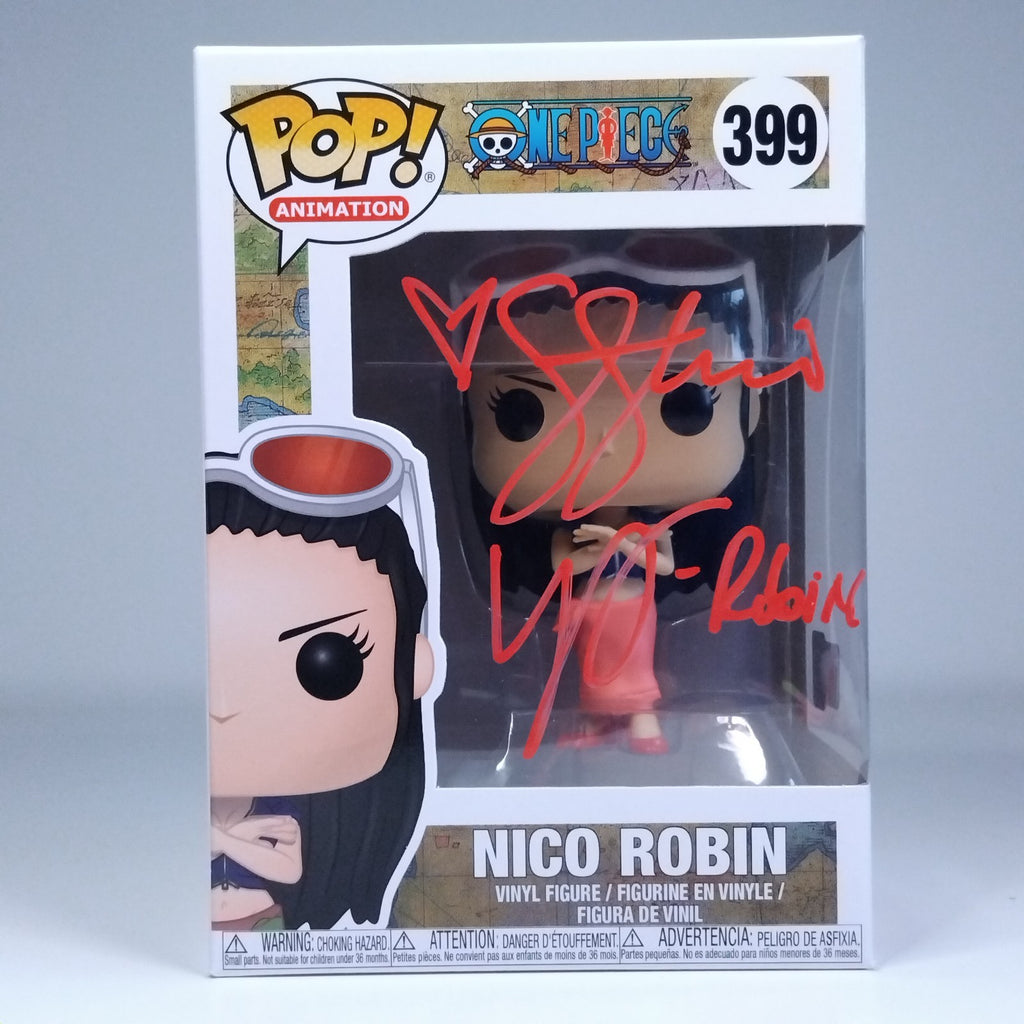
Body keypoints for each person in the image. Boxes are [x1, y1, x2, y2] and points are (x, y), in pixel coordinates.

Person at [463, 239, 760, 753]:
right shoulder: (572, 529)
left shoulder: (651, 528)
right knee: (592, 670)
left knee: (633, 666)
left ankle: (643, 719)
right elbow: (561, 563)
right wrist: (595, 546)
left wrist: (617, 543)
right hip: (589, 607)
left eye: (685, 403)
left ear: (752, 410)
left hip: (633, 608)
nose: (607, 442)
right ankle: (596, 721)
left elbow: (664, 565)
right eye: (521, 410)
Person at [206, 455, 434, 930]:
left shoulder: (281, 812)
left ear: (413, 666)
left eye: (326, 664)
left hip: (268, 922)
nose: (222, 708)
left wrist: (222, 842)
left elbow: (290, 869)